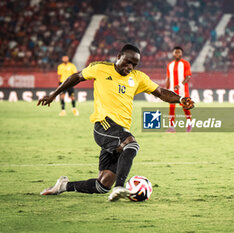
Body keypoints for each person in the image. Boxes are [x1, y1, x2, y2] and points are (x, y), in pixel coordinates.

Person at [37, 44, 194, 201]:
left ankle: (63, 186)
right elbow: (76, 77)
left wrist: (181, 99)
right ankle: (120, 187)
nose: (130, 67)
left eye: (134, 64)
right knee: (132, 144)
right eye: (128, 62)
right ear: (119, 56)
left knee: (103, 185)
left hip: (119, 132)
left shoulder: (138, 77)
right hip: (104, 125)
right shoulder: (100, 68)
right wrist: (53, 94)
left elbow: (161, 92)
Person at [166, 46, 192, 132]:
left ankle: (189, 124)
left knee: (185, 108)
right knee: (172, 108)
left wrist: (180, 85)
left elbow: (188, 77)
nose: (177, 54)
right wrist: (166, 90)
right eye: (175, 52)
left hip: (183, 90)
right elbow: (169, 78)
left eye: (179, 52)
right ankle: (171, 127)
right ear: (173, 54)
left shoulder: (185, 63)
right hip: (172, 90)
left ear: (181, 54)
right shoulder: (170, 65)